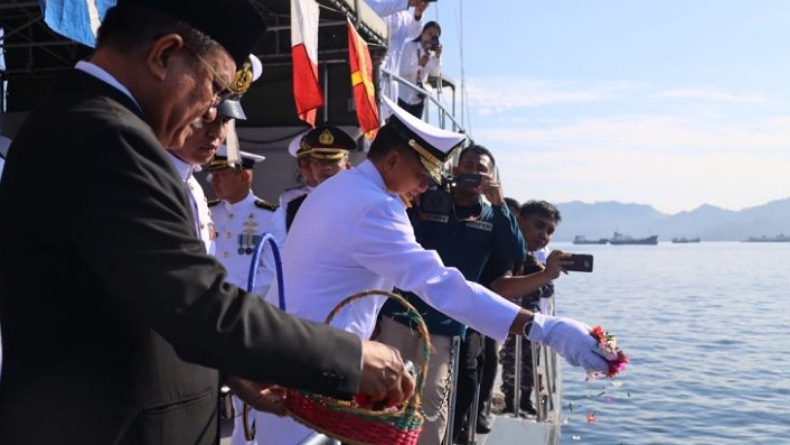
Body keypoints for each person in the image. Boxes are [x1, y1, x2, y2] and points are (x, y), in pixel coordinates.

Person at [0, 1, 415, 443]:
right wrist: (351, 358)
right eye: (213, 88)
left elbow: (149, 301)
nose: (211, 112)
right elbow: (197, 303)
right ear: (164, 56)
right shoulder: (107, 137)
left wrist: (232, 367)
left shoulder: (85, 122)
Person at [257, 97, 610, 444]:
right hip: (313, 368)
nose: (425, 187)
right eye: (422, 175)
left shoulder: (338, 188)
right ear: (392, 160)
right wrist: (541, 327)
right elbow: (439, 284)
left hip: (289, 353)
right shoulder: (375, 207)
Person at [376, 144, 524, 445]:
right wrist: (414, 203)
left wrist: (500, 206)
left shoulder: (494, 216)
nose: (474, 172)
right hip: (401, 312)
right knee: (385, 389)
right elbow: (398, 238)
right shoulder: (429, 201)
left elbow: (515, 252)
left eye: (481, 168)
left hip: (446, 325)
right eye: (468, 166)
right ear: (456, 171)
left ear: (492, 176)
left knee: (432, 398)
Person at [166, 53, 262, 254]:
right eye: (206, 117)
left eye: (225, 121)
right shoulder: (149, 178)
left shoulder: (193, 187)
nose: (216, 133)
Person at [498, 200, 565, 416]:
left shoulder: (532, 260)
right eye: (539, 226)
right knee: (511, 362)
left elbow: (546, 292)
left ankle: (524, 400)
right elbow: (502, 287)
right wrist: (544, 275)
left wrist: (547, 273)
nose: (544, 235)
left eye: (550, 231)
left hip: (531, 323)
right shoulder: (508, 254)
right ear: (520, 221)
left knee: (529, 362)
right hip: (509, 324)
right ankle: (511, 400)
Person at [284, 125, 356, 232]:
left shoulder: (362, 204)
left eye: (333, 161)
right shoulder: (297, 208)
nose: (326, 167)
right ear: (312, 166)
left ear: (347, 165)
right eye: (319, 161)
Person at [397, 21, 442, 119]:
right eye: (430, 34)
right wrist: (419, 65)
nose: (431, 38)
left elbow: (435, 74)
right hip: (402, 95)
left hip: (418, 98)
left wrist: (437, 58)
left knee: (413, 133)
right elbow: (402, 70)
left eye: (435, 37)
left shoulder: (432, 54)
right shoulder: (408, 46)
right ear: (422, 32)